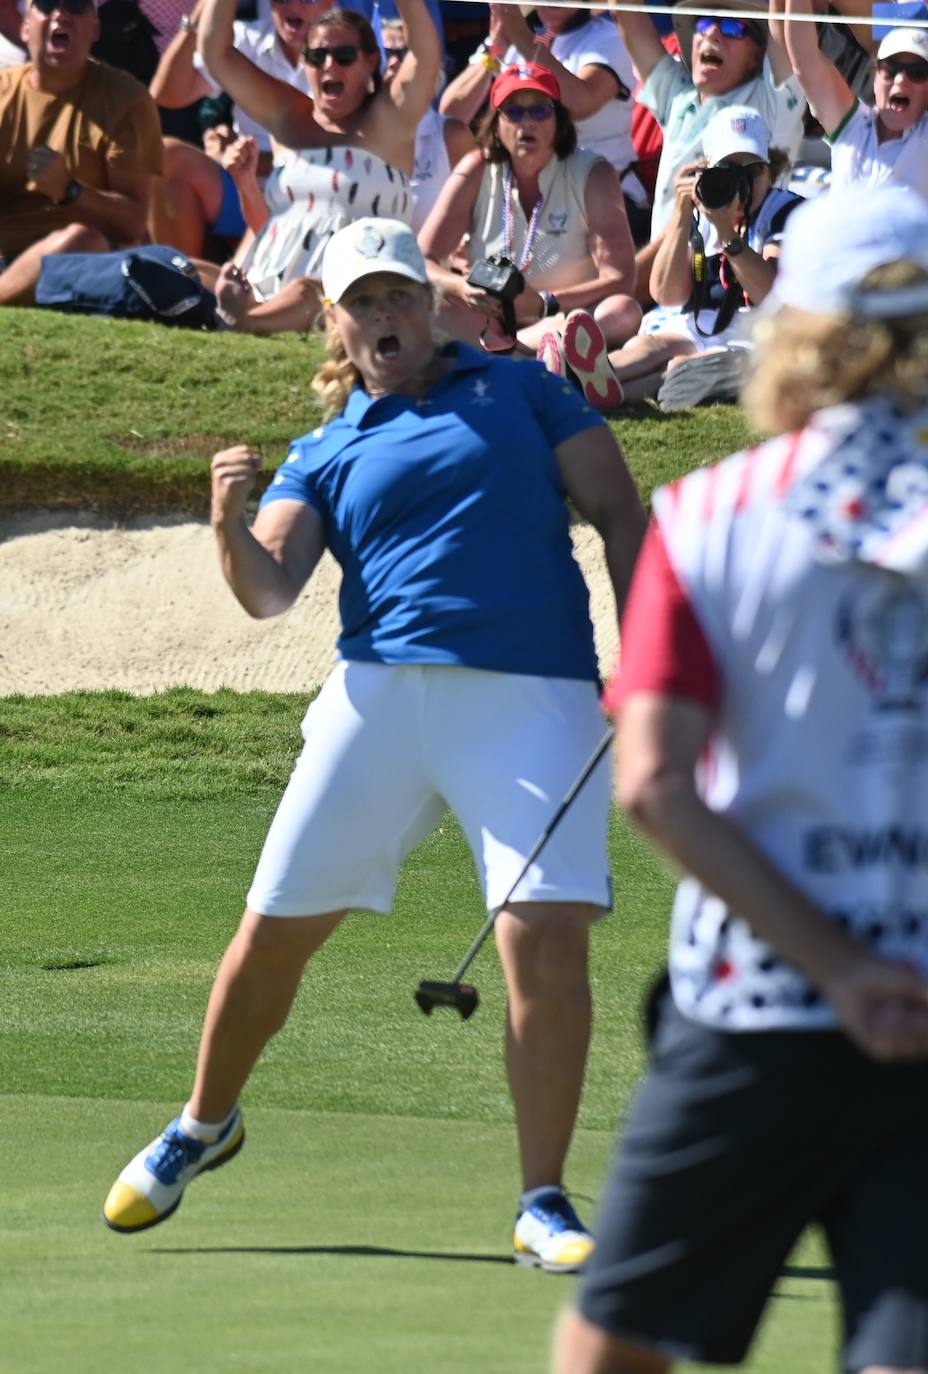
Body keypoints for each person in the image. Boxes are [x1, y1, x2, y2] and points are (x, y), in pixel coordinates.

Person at [101, 215, 648, 1274]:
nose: (384, 315)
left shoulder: (524, 390)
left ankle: (542, 1202)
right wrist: (226, 521)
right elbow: (268, 594)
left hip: (531, 692)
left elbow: (620, 512)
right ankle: (205, 1124)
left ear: (431, 304)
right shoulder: (325, 449)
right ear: (335, 324)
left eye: (400, 294)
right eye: (363, 302)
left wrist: (643, 648)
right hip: (377, 700)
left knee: (542, 938)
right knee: (273, 928)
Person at [554, 183, 928, 1372]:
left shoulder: (706, 516)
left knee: (611, 1348)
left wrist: (839, 969)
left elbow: (656, 785)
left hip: (754, 1004)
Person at [193, 0, 440, 333]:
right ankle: (247, 312)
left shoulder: (390, 119)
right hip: (261, 280)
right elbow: (215, 53)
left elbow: (425, 53)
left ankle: (244, 322)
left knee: (308, 292)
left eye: (344, 56)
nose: (329, 65)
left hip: (345, 292)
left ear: (370, 61)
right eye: (317, 56)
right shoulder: (288, 117)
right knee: (181, 268)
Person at [419, 62, 639, 410]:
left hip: (567, 316)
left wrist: (544, 302)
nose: (527, 122)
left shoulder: (594, 172)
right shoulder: (477, 167)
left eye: (539, 110)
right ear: (497, 122)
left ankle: (518, 361)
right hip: (487, 318)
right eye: (514, 111)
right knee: (426, 303)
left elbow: (621, 279)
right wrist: (462, 288)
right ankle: (548, 365)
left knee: (623, 310)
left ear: (559, 121)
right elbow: (423, 260)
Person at [603, 104, 801, 402]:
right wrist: (681, 217)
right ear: (707, 171)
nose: (742, 183)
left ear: (770, 172)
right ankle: (576, 379)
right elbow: (667, 296)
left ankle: (587, 393)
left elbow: (769, 293)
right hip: (696, 327)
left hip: (752, 335)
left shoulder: (785, 211)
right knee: (650, 347)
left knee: (679, 367)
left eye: (752, 170)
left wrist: (727, 234)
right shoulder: (701, 208)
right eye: (729, 171)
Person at [610, 0, 805, 294]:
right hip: (669, 270)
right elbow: (627, 15)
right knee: (614, 302)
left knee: (614, 302)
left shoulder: (774, 100)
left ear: (757, 55)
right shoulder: (679, 98)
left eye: (731, 27)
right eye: (702, 24)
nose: (711, 33)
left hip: (735, 279)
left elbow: (787, 34)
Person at [0, 0, 163, 306]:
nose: (61, 14)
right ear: (24, 26)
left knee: (82, 239)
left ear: (96, 28)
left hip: (81, 267)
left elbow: (134, 224)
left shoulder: (126, 99)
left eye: (76, 5)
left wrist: (70, 190)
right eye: (46, 4)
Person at [439, 4, 643, 230]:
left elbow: (582, 102)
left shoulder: (608, 37)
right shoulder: (521, 37)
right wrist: (495, 51)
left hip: (600, 196)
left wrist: (521, 37)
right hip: (521, 200)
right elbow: (452, 113)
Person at [146, 0, 321, 256]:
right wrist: (202, 12)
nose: (293, 5)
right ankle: (182, 288)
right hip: (242, 192)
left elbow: (345, 148)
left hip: (317, 198)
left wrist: (246, 161)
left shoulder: (348, 50)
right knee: (167, 156)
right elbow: (168, 94)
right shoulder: (244, 38)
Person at [784, 4, 928, 201]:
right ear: (875, 77)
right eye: (891, 70)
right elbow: (804, 59)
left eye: (917, 73)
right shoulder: (852, 126)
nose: (901, 80)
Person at [380, 14, 475, 232]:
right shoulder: (355, 134)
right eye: (385, 53)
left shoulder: (452, 137)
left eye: (404, 54)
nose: (393, 62)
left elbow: (480, 217)